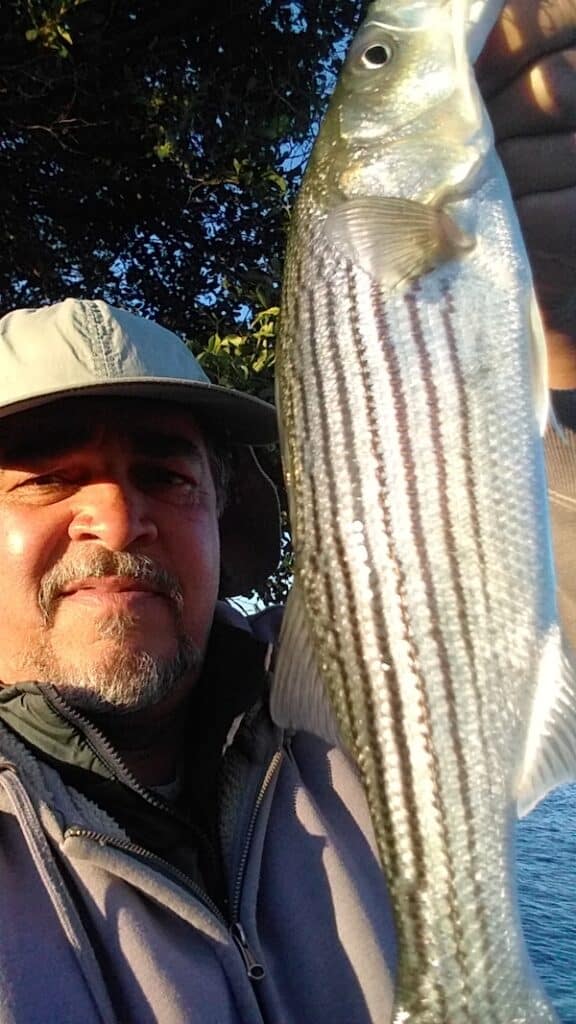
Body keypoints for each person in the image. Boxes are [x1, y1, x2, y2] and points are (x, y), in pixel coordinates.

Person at [0, 3, 574, 1022]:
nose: (116, 517)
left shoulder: (350, 713)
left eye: (166, 474)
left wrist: (556, 368)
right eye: (45, 477)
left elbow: (538, 569)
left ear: (228, 507)